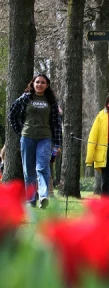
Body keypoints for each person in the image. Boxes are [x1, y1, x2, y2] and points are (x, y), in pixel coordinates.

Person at [8, 74, 62, 208]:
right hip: (27, 138)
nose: (39, 85)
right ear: (32, 84)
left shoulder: (51, 101)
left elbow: (56, 123)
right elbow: (12, 114)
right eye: (37, 82)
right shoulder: (25, 98)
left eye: (43, 82)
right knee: (29, 171)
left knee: (42, 167)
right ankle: (31, 200)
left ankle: (43, 196)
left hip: (45, 138)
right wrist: (20, 131)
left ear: (47, 85)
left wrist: (57, 143)